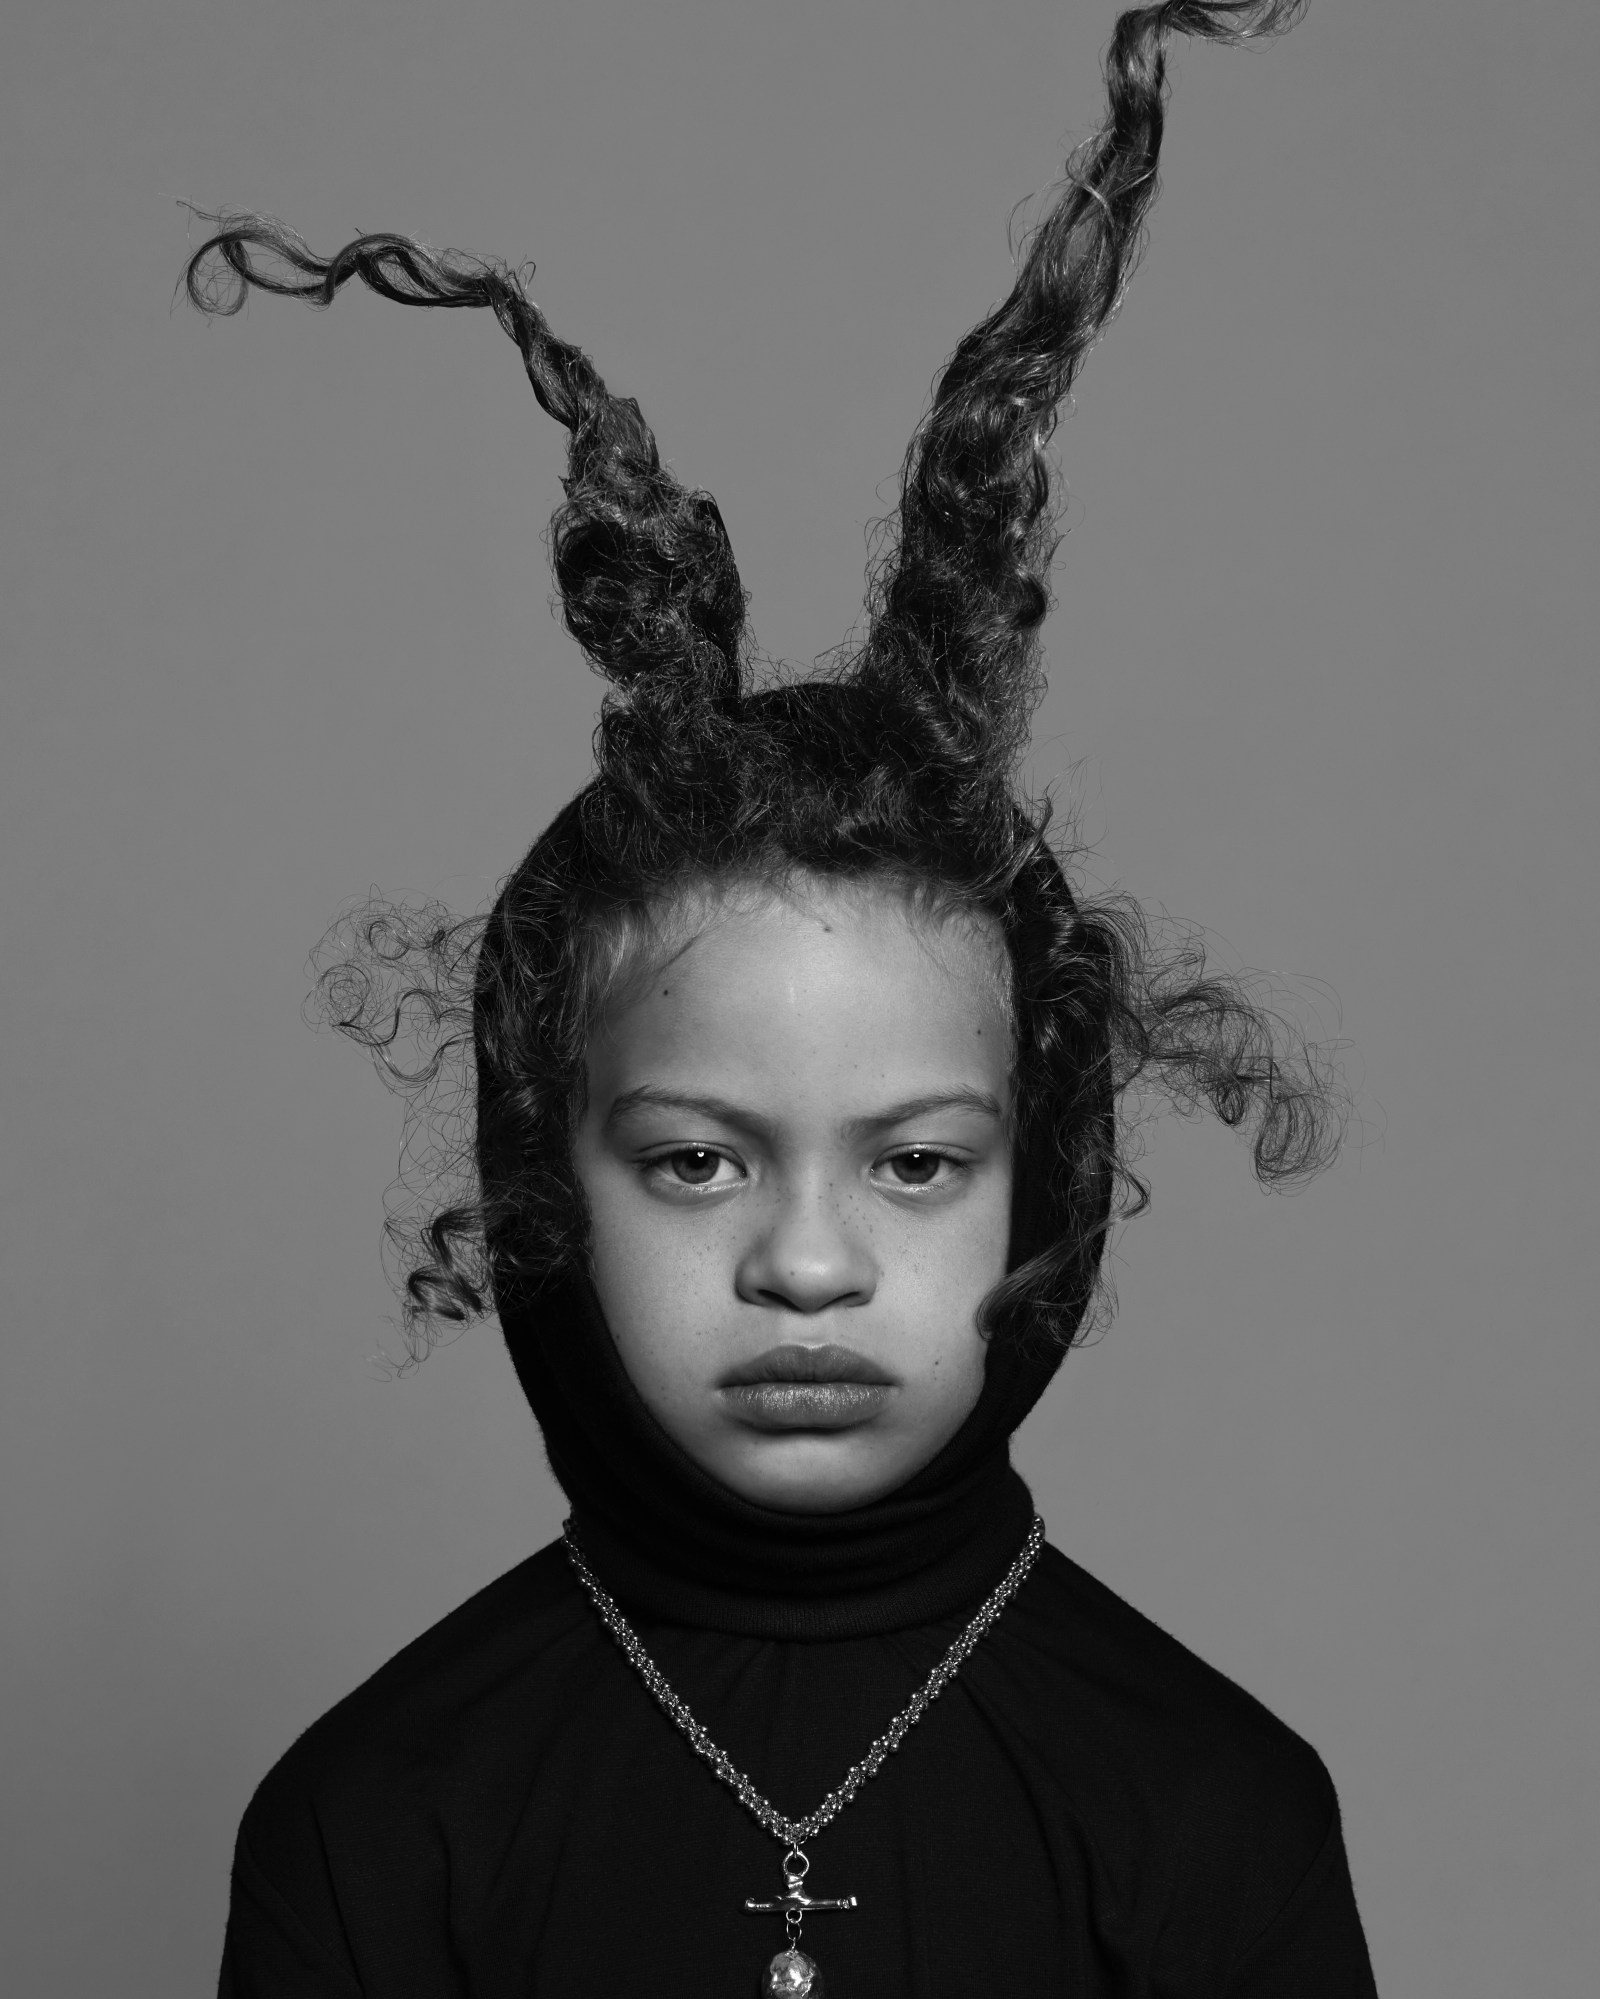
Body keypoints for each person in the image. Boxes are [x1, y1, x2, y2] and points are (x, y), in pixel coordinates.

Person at [186, 3, 1378, 1992]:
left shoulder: (1204, 1815)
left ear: (1044, 1190)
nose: (803, 1265)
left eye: (913, 1163)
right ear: (543, 1173)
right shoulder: (380, 1817)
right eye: (693, 1162)